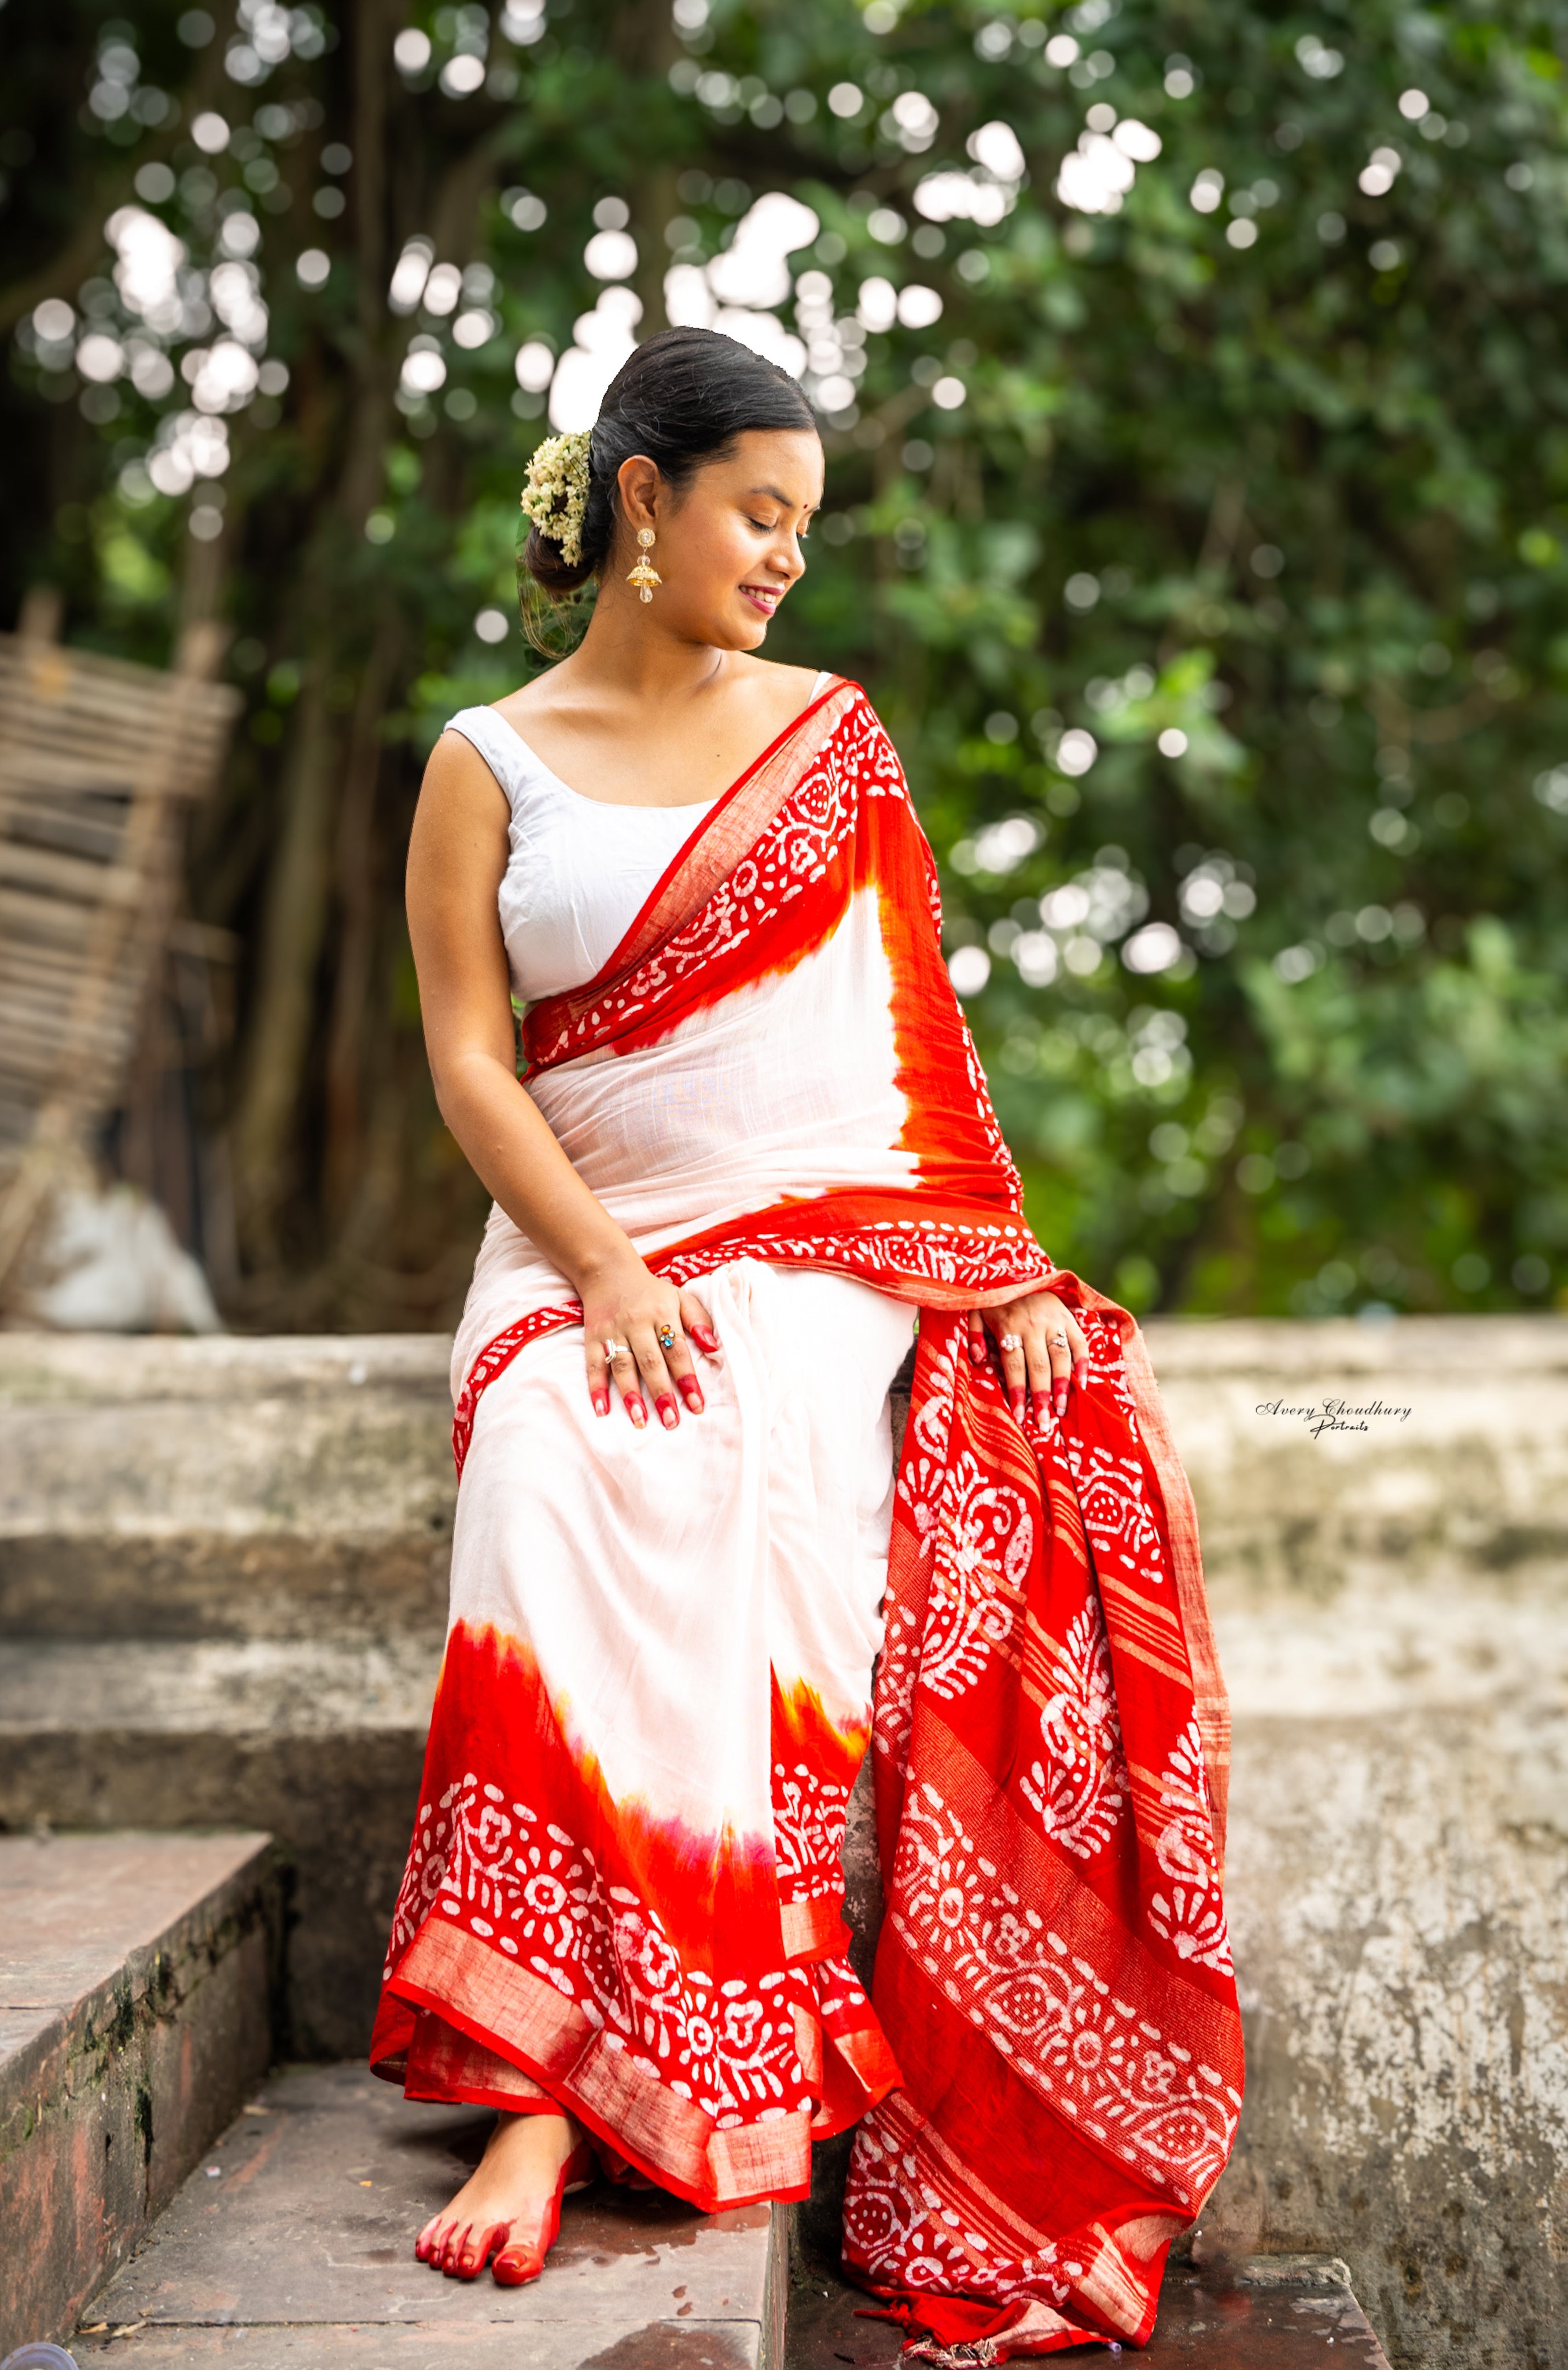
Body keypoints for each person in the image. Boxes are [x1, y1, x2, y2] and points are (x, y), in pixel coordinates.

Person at [371, 326, 1242, 2357]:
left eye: (804, 527)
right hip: (572, 1242)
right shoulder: (481, 760)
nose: (782, 558)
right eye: (757, 513)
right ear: (642, 498)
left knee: (742, 1459)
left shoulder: (829, 739)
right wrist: (592, 1267)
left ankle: (611, 2081)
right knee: (550, 1469)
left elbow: (908, 1047)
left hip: (819, 1244)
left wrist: (997, 1260)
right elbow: (467, 1063)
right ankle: (527, 2093)